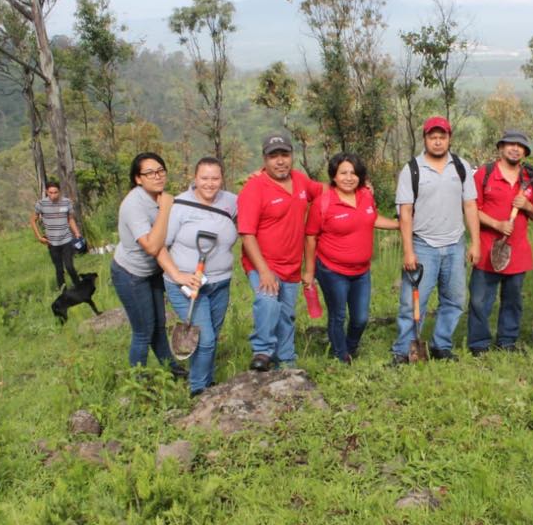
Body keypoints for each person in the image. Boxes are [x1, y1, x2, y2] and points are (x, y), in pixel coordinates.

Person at [391, 116, 480, 364]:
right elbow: (405, 212)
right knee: (411, 303)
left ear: (449, 139)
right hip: (423, 245)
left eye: (442, 137)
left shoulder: (461, 167)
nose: (438, 141)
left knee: (454, 301)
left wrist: (476, 242)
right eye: (433, 137)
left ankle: (442, 345)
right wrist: (408, 251)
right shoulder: (412, 169)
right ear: (425, 139)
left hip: (455, 244)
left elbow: (470, 205)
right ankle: (403, 351)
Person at [238, 133, 324, 372]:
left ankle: (286, 361)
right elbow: (247, 234)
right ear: (264, 159)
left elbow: (324, 191)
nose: (280, 161)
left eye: (284, 155)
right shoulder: (254, 188)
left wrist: (358, 186)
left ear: (291, 156)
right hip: (263, 263)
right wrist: (264, 271)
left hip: (292, 263)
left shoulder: (300, 180)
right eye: (273, 156)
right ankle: (263, 351)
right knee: (267, 302)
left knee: (286, 314)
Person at [302, 153, 399, 363]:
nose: (349, 178)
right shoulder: (323, 203)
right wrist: (309, 272)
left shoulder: (365, 195)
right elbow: (310, 237)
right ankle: (341, 356)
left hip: (361, 271)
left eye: (353, 173)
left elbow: (372, 218)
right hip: (332, 270)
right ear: (333, 176)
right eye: (343, 173)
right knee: (338, 315)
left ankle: (350, 347)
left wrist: (399, 224)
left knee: (361, 318)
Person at [157, 157, 238, 396]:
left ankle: (206, 380)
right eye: (204, 178)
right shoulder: (179, 206)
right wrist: (178, 275)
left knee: (211, 335)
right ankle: (199, 390)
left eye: (215, 178)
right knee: (205, 339)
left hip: (220, 282)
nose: (209, 184)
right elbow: (159, 246)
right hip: (187, 285)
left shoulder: (232, 201)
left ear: (222, 179)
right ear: (195, 178)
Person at [466, 130, 533, 355]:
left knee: (513, 300)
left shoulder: (530, 178)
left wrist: (527, 206)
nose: (515, 149)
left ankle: (507, 341)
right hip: (487, 249)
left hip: (517, 252)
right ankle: (479, 344)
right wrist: (497, 224)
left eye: (520, 146)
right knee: (480, 300)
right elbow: (471, 209)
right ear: (501, 148)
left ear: (525, 152)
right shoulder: (485, 173)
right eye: (510, 144)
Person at [111, 152, 184, 375]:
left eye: (161, 171)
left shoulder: (161, 197)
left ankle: (172, 370)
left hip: (154, 271)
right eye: (150, 173)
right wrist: (165, 209)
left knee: (159, 326)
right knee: (143, 331)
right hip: (131, 274)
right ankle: (138, 382)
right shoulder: (134, 204)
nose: (157, 176)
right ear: (138, 179)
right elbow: (152, 246)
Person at [30, 180, 83, 288]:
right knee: (59, 269)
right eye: (50, 192)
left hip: (66, 240)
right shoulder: (41, 204)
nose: (53, 195)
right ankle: (63, 291)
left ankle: (79, 286)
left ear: (59, 192)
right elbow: (32, 220)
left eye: (55, 192)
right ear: (47, 192)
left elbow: (70, 219)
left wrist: (77, 233)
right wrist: (39, 237)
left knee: (69, 266)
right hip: (52, 243)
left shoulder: (66, 202)